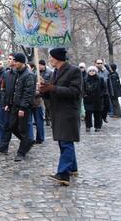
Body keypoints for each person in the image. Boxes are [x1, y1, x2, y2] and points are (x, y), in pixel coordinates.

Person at [39, 48, 82, 186]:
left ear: (57, 58)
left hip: (68, 112)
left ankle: (63, 174)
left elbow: (75, 92)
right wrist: (44, 90)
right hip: (57, 112)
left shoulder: (74, 71)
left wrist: (52, 88)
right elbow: (52, 91)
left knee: (65, 141)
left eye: (51, 57)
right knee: (64, 141)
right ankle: (72, 169)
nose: (49, 59)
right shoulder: (55, 72)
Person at [4, 53, 36, 161]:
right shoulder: (17, 73)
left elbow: (28, 93)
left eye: (16, 61)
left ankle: (21, 152)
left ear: (22, 62)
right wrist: (9, 103)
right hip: (14, 105)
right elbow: (13, 90)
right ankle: (28, 141)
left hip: (23, 107)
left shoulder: (29, 75)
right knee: (12, 126)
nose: (14, 63)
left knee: (23, 129)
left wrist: (23, 108)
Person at [0, 54, 16, 154]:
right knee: (3, 124)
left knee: (11, 126)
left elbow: (10, 89)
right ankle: (2, 144)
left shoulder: (7, 73)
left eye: (0, 64)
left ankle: (27, 142)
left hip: (11, 103)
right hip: (0, 101)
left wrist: (7, 102)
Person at [83, 66, 106, 132]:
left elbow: (104, 88)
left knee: (97, 113)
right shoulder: (85, 79)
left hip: (97, 99)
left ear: (96, 72)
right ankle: (88, 126)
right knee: (88, 113)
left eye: (93, 71)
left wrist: (101, 95)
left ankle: (98, 126)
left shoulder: (100, 79)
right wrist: (84, 95)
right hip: (88, 99)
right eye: (90, 71)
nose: (92, 72)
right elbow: (83, 88)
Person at [39, 60, 52, 126]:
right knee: (41, 107)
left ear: (43, 65)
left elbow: (51, 82)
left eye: (40, 65)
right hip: (39, 92)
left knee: (48, 106)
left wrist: (44, 81)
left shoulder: (49, 72)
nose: (39, 66)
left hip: (47, 92)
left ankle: (48, 119)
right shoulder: (37, 72)